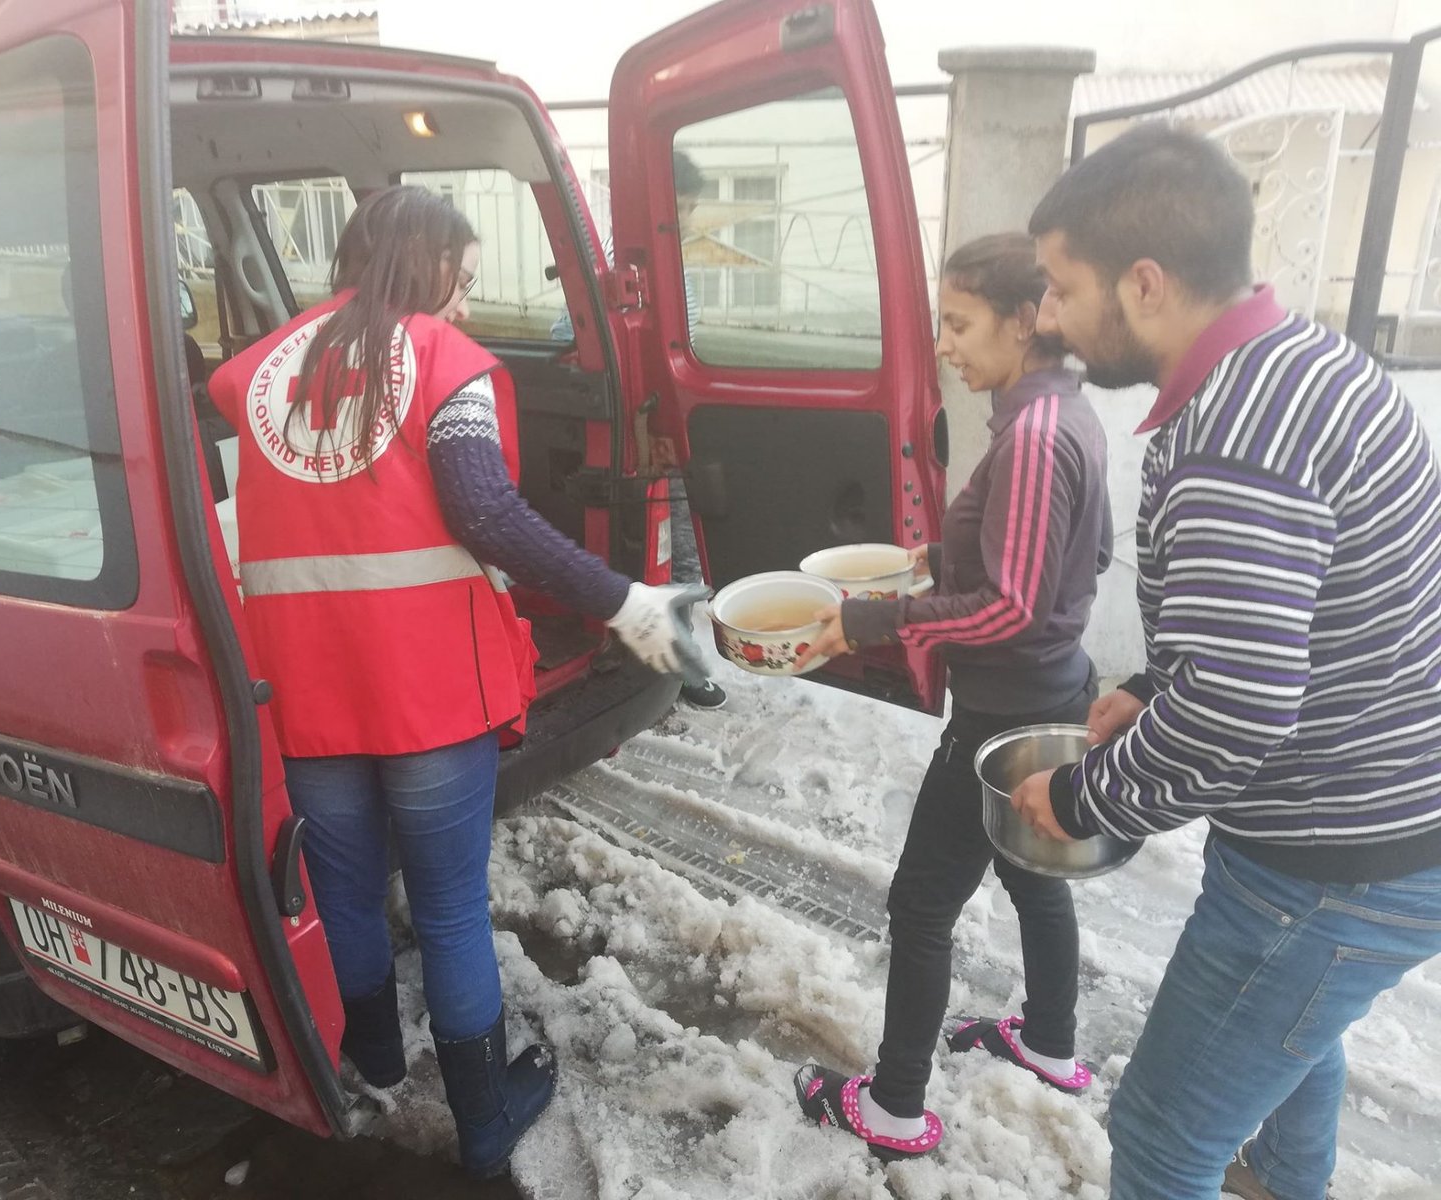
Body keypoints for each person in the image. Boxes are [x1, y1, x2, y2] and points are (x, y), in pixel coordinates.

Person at [206, 186, 708, 1180]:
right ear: (426, 261)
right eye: (464, 279)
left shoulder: (255, 372)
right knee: (445, 912)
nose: (467, 304)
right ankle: (484, 1120)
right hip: (430, 693)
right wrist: (624, 602)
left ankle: (377, 1059)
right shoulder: (440, 361)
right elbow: (484, 509)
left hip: (304, 693)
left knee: (346, 891)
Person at [1008, 124, 1441, 1200]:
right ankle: (1280, 1183)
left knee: (1161, 1137)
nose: (1046, 316)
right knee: (1286, 1037)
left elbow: (1238, 708)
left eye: (1061, 287)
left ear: (1144, 284)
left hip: (1335, 865)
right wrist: (1156, 689)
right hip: (1380, 821)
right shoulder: (1301, 363)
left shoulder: (1234, 438)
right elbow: (1305, 612)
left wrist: (1083, 797)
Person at [790, 232, 1113, 1161]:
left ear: (1025, 321)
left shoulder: (1034, 437)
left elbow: (1011, 606)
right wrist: (939, 559)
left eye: (960, 324)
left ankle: (893, 1106)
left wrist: (871, 621)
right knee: (1031, 873)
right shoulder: (1063, 413)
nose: (943, 345)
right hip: (1051, 694)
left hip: (1003, 717)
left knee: (923, 904)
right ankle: (1049, 1043)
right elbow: (1078, 556)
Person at [550, 153, 726, 709]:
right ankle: (664, 667)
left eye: (691, 208)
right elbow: (569, 338)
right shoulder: (607, 272)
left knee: (685, 558)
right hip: (633, 441)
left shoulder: (674, 274)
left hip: (669, 438)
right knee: (657, 558)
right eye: (681, 208)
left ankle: (678, 663)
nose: (688, 220)